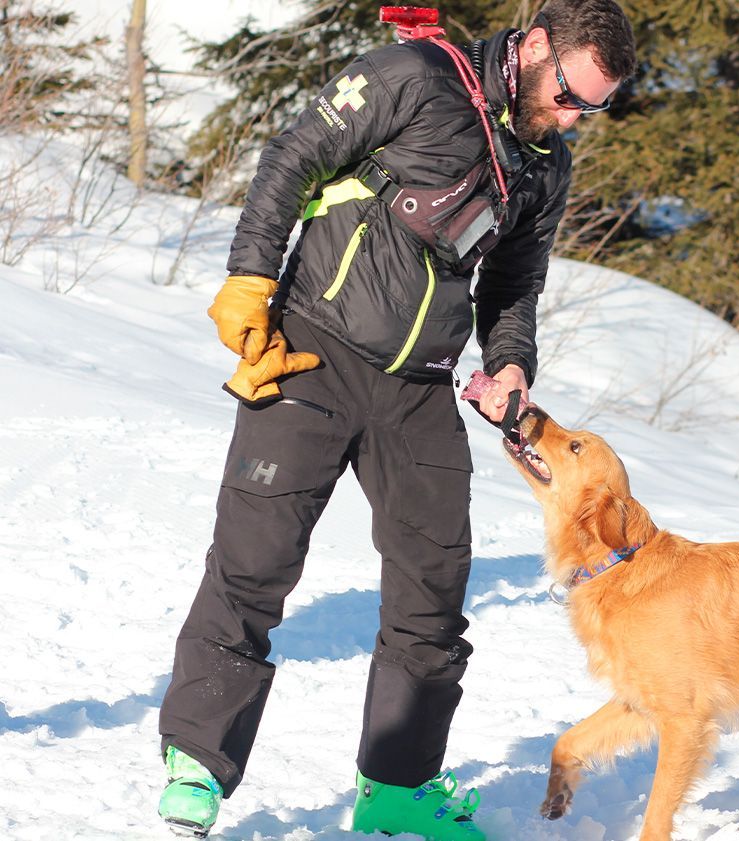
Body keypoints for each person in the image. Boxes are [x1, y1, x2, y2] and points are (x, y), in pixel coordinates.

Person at [155, 2, 636, 838]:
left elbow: (515, 281)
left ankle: (398, 786)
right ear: (532, 47)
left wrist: (513, 360)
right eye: (568, 95)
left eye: (591, 109)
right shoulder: (412, 76)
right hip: (314, 345)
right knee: (255, 557)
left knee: (433, 584)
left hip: (421, 384)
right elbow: (292, 158)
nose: (573, 118)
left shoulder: (544, 167)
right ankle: (198, 758)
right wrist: (248, 279)